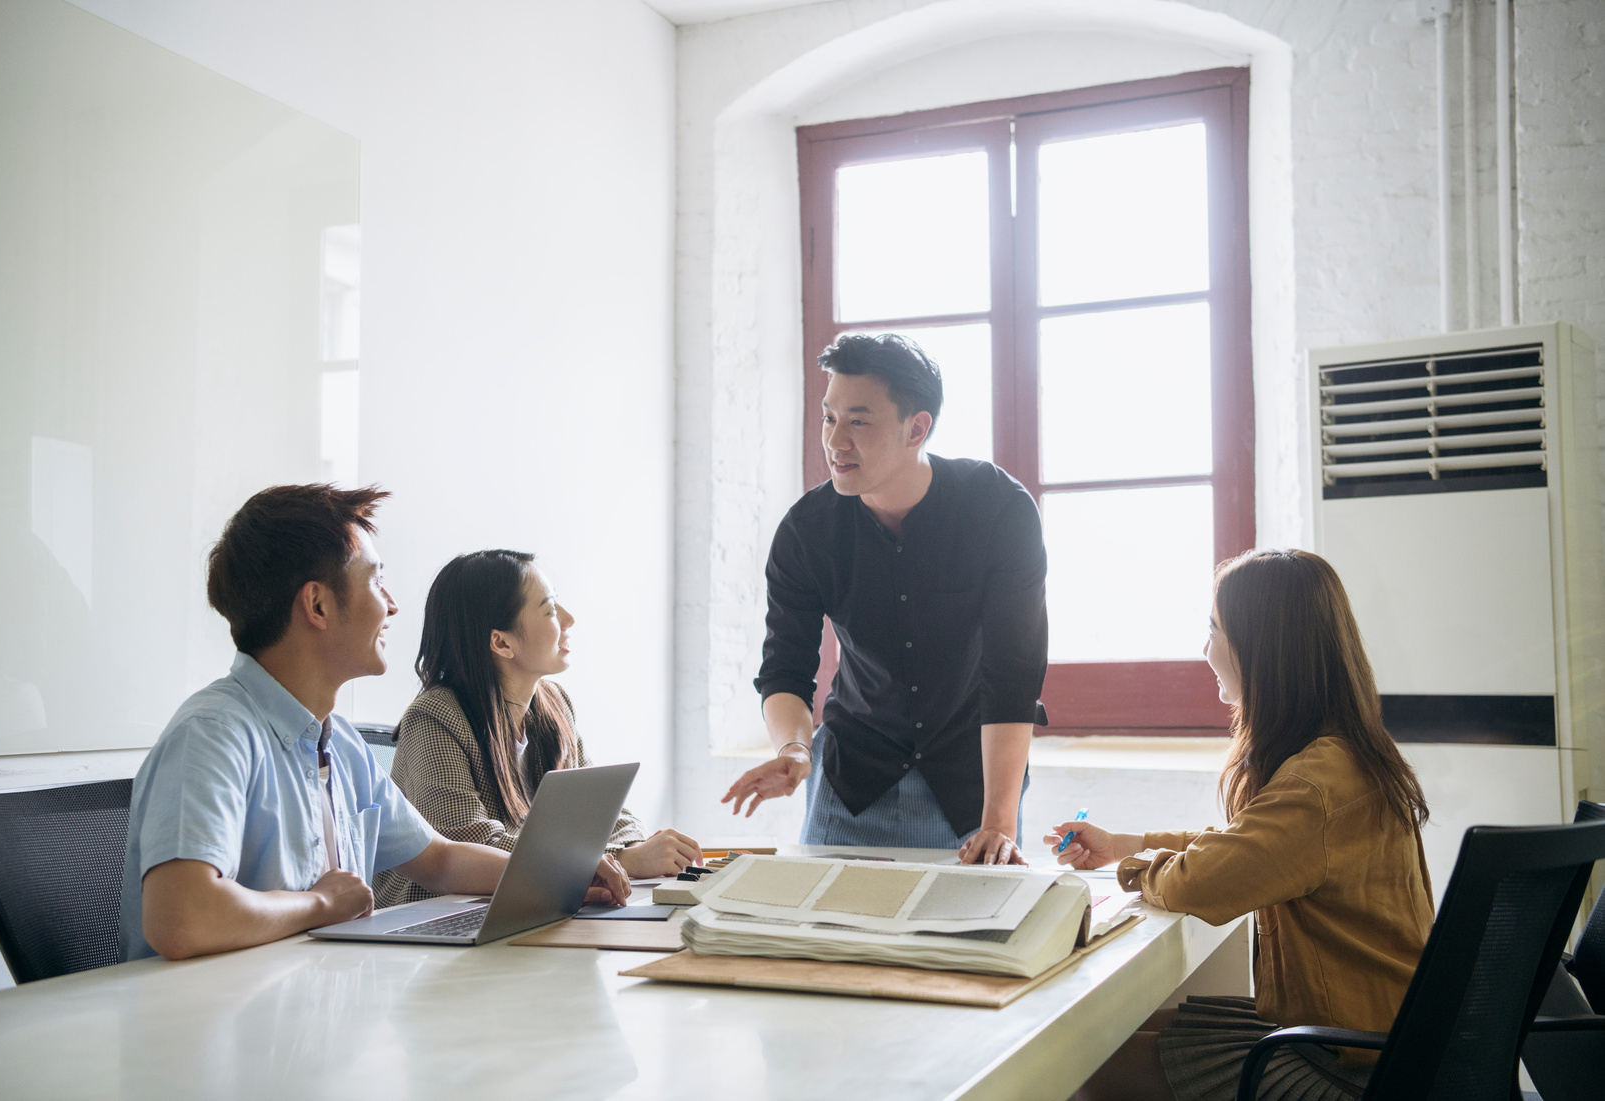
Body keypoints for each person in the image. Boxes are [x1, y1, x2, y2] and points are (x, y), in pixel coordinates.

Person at [119, 485, 630, 962]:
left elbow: (441, 859)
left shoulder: (337, 742)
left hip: (307, 1007)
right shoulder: (214, 733)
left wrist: (560, 873)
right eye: (376, 580)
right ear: (317, 604)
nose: (392, 604)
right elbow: (180, 918)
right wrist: (321, 906)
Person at [1052, 549, 1434, 1101]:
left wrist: (1135, 867)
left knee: (1081, 1064)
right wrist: (1123, 844)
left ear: (1265, 649)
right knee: (1105, 1038)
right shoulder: (1341, 757)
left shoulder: (1315, 787)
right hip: (1376, 1038)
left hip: (1353, 1067)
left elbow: (1200, 880)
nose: (1204, 649)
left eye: (1213, 628)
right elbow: (1245, 846)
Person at [723, 333, 1048, 864]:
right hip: (851, 780)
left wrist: (999, 823)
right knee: (828, 941)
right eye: (829, 419)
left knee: (972, 938)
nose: (836, 442)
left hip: (973, 785)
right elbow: (784, 670)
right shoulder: (807, 530)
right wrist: (794, 750)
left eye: (858, 421)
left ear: (916, 428)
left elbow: (1012, 675)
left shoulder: (997, 509)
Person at [376, 550, 700, 907]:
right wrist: (615, 861)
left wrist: (629, 850)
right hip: (434, 924)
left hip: (529, 907)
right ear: (502, 642)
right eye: (549, 610)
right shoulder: (435, 716)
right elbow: (468, 841)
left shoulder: (554, 704)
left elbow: (602, 811)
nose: (569, 619)